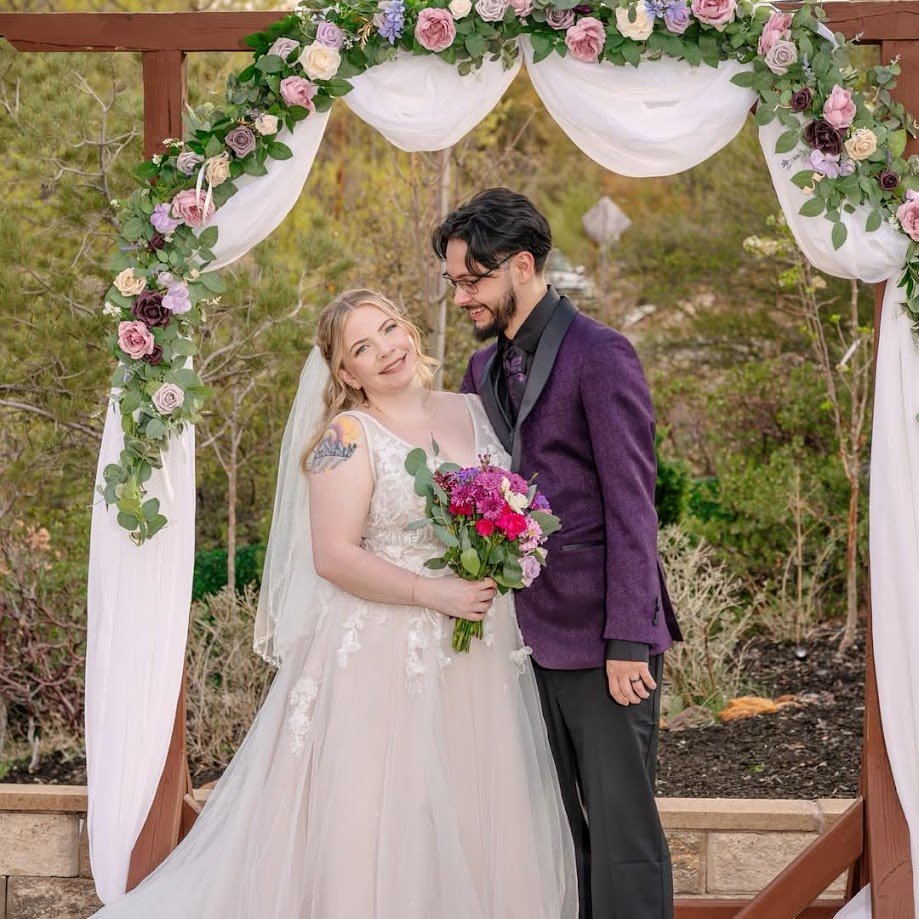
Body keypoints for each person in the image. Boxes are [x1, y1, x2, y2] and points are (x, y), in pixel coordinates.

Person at [91, 289, 577, 918]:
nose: (388, 350)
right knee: (386, 807)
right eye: (363, 348)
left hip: (477, 651)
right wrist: (434, 593)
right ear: (346, 373)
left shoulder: (472, 408)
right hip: (383, 655)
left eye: (390, 329)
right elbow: (334, 556)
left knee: (469, 802)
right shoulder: (346, 436)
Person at [434, 188, 683, 919]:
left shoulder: (602, 353)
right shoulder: (479, 374)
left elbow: (633, 505)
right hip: (514, 644)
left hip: (603, 640)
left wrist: (629, 639)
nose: (461, 296)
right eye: (453, 282)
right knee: (546, 832)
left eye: (471, 279)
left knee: (620, 833)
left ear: (520, 264)